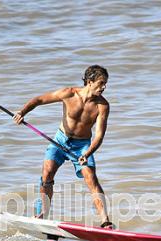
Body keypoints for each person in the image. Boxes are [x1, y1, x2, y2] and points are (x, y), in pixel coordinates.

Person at [13, 65, 114, 229]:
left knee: (91, 178)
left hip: (82, 146)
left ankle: (106, 222)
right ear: (90, 81)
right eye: (101, 83)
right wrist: (22, 112)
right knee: (47, 173)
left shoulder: (102, 106)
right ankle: (42, 214)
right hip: (60, 140)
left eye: (106, 84)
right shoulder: (68, 93)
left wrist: (87, 153)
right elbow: (39, 100)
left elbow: (99, 135)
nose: (104, 87)